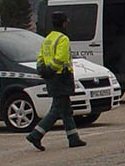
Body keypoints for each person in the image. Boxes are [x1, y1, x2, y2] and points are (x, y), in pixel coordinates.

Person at [27, 11, 86, 151]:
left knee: (66, 110)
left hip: (51, 77)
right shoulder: (63, 39)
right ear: (64, 23)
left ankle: (73, 138)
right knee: (57, 109)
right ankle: (36, 134)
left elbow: (40, 58)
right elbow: (60, 58)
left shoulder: (47, 39)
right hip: (61, 77)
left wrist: (44, 70)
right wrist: (52, 70)